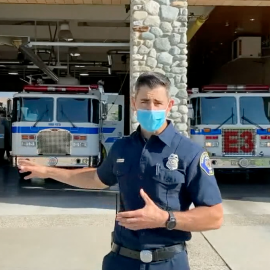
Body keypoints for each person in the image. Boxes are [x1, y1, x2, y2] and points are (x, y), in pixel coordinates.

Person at [18, 72, 223, 270]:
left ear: (169, 106)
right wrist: (47, 171)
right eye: (144, 102)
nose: (151, 108)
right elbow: (95, 178)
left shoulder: (190, 153)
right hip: (121, 260)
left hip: (168, 262)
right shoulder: (122, 147)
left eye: (158, 103)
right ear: (134, 104)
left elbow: (214, 216)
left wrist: (165, 219)